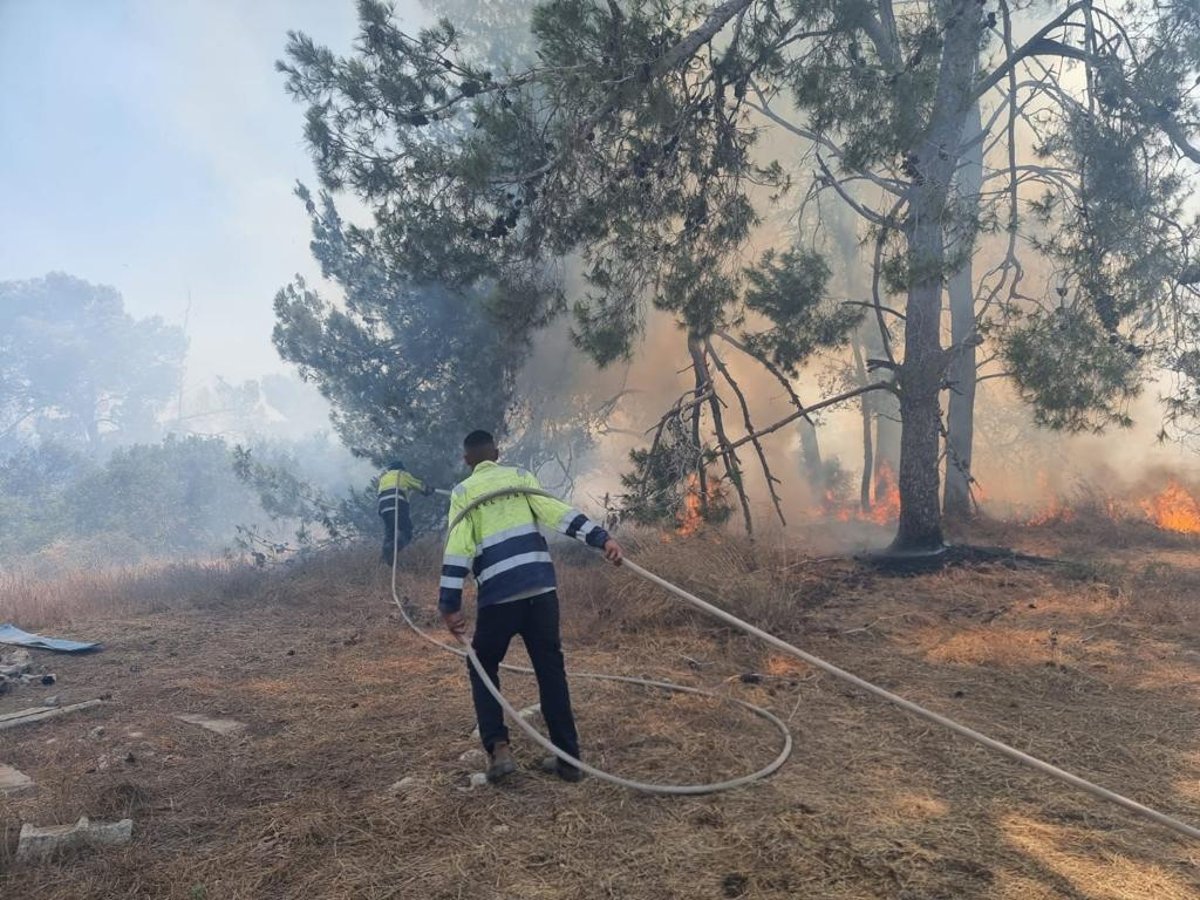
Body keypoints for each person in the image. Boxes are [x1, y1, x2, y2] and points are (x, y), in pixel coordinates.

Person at [439, 430, 623, 784]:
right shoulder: (521, 477)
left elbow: (458, 548)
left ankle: (498, 750)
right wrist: (602, 538)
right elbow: (557, 513)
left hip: (499, 597)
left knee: (482, 666)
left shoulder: (464, 492)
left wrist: (449, 604)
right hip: (541, 591)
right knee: (550, 670)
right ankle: (569, 760)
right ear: (497, 452)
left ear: (467, 461)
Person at [377, 459, 427, 564]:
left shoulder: (384, 478)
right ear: (401, 468)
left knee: (390, 534)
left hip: (384, 508)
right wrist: (427, 489)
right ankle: (390, 549)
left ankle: (384, 561)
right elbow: (420, 486)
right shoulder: (402, 474)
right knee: (406, 531)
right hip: (397, 505)